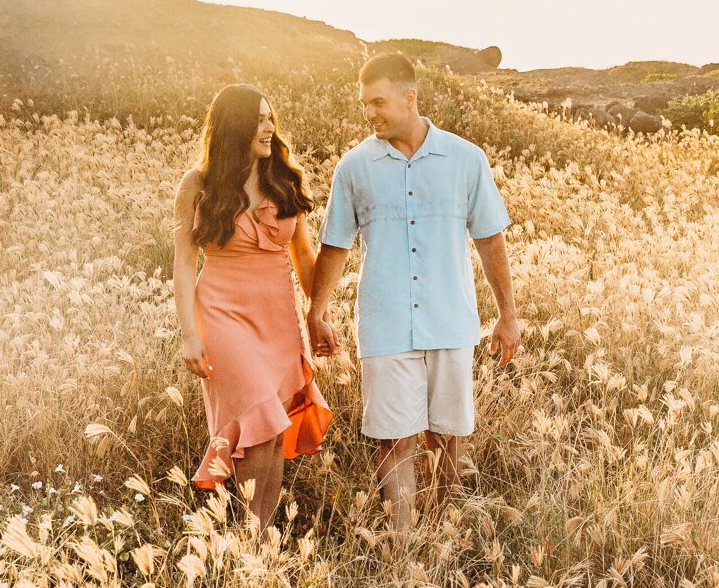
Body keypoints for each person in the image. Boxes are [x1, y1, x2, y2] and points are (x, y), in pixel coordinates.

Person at [307, 52, 521, 541]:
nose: (371, 114)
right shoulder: (355, 166)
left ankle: (442, 533)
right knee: (394, 439)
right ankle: (402, 545)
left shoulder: (465, 159)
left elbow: (490, 239)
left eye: (379, 102)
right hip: (384, 324)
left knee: (447, 435)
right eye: (364, 105)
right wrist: (315, 311)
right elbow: (336, 245)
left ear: (410, 96)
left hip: (450, 320)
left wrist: (508, 315)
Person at [174, 84, 333, 538]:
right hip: (223, 315)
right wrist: (190, 334)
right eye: (258, 120)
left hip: (278, 318)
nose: (268, 128)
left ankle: (258, 542)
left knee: (272, 435)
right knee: (257, 419)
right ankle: (251, 538)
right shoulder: (198, 184)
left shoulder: (284, 179)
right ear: (233, 127)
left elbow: (304, 257)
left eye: (270, 119)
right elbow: (184, 264)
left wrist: (316, 313)